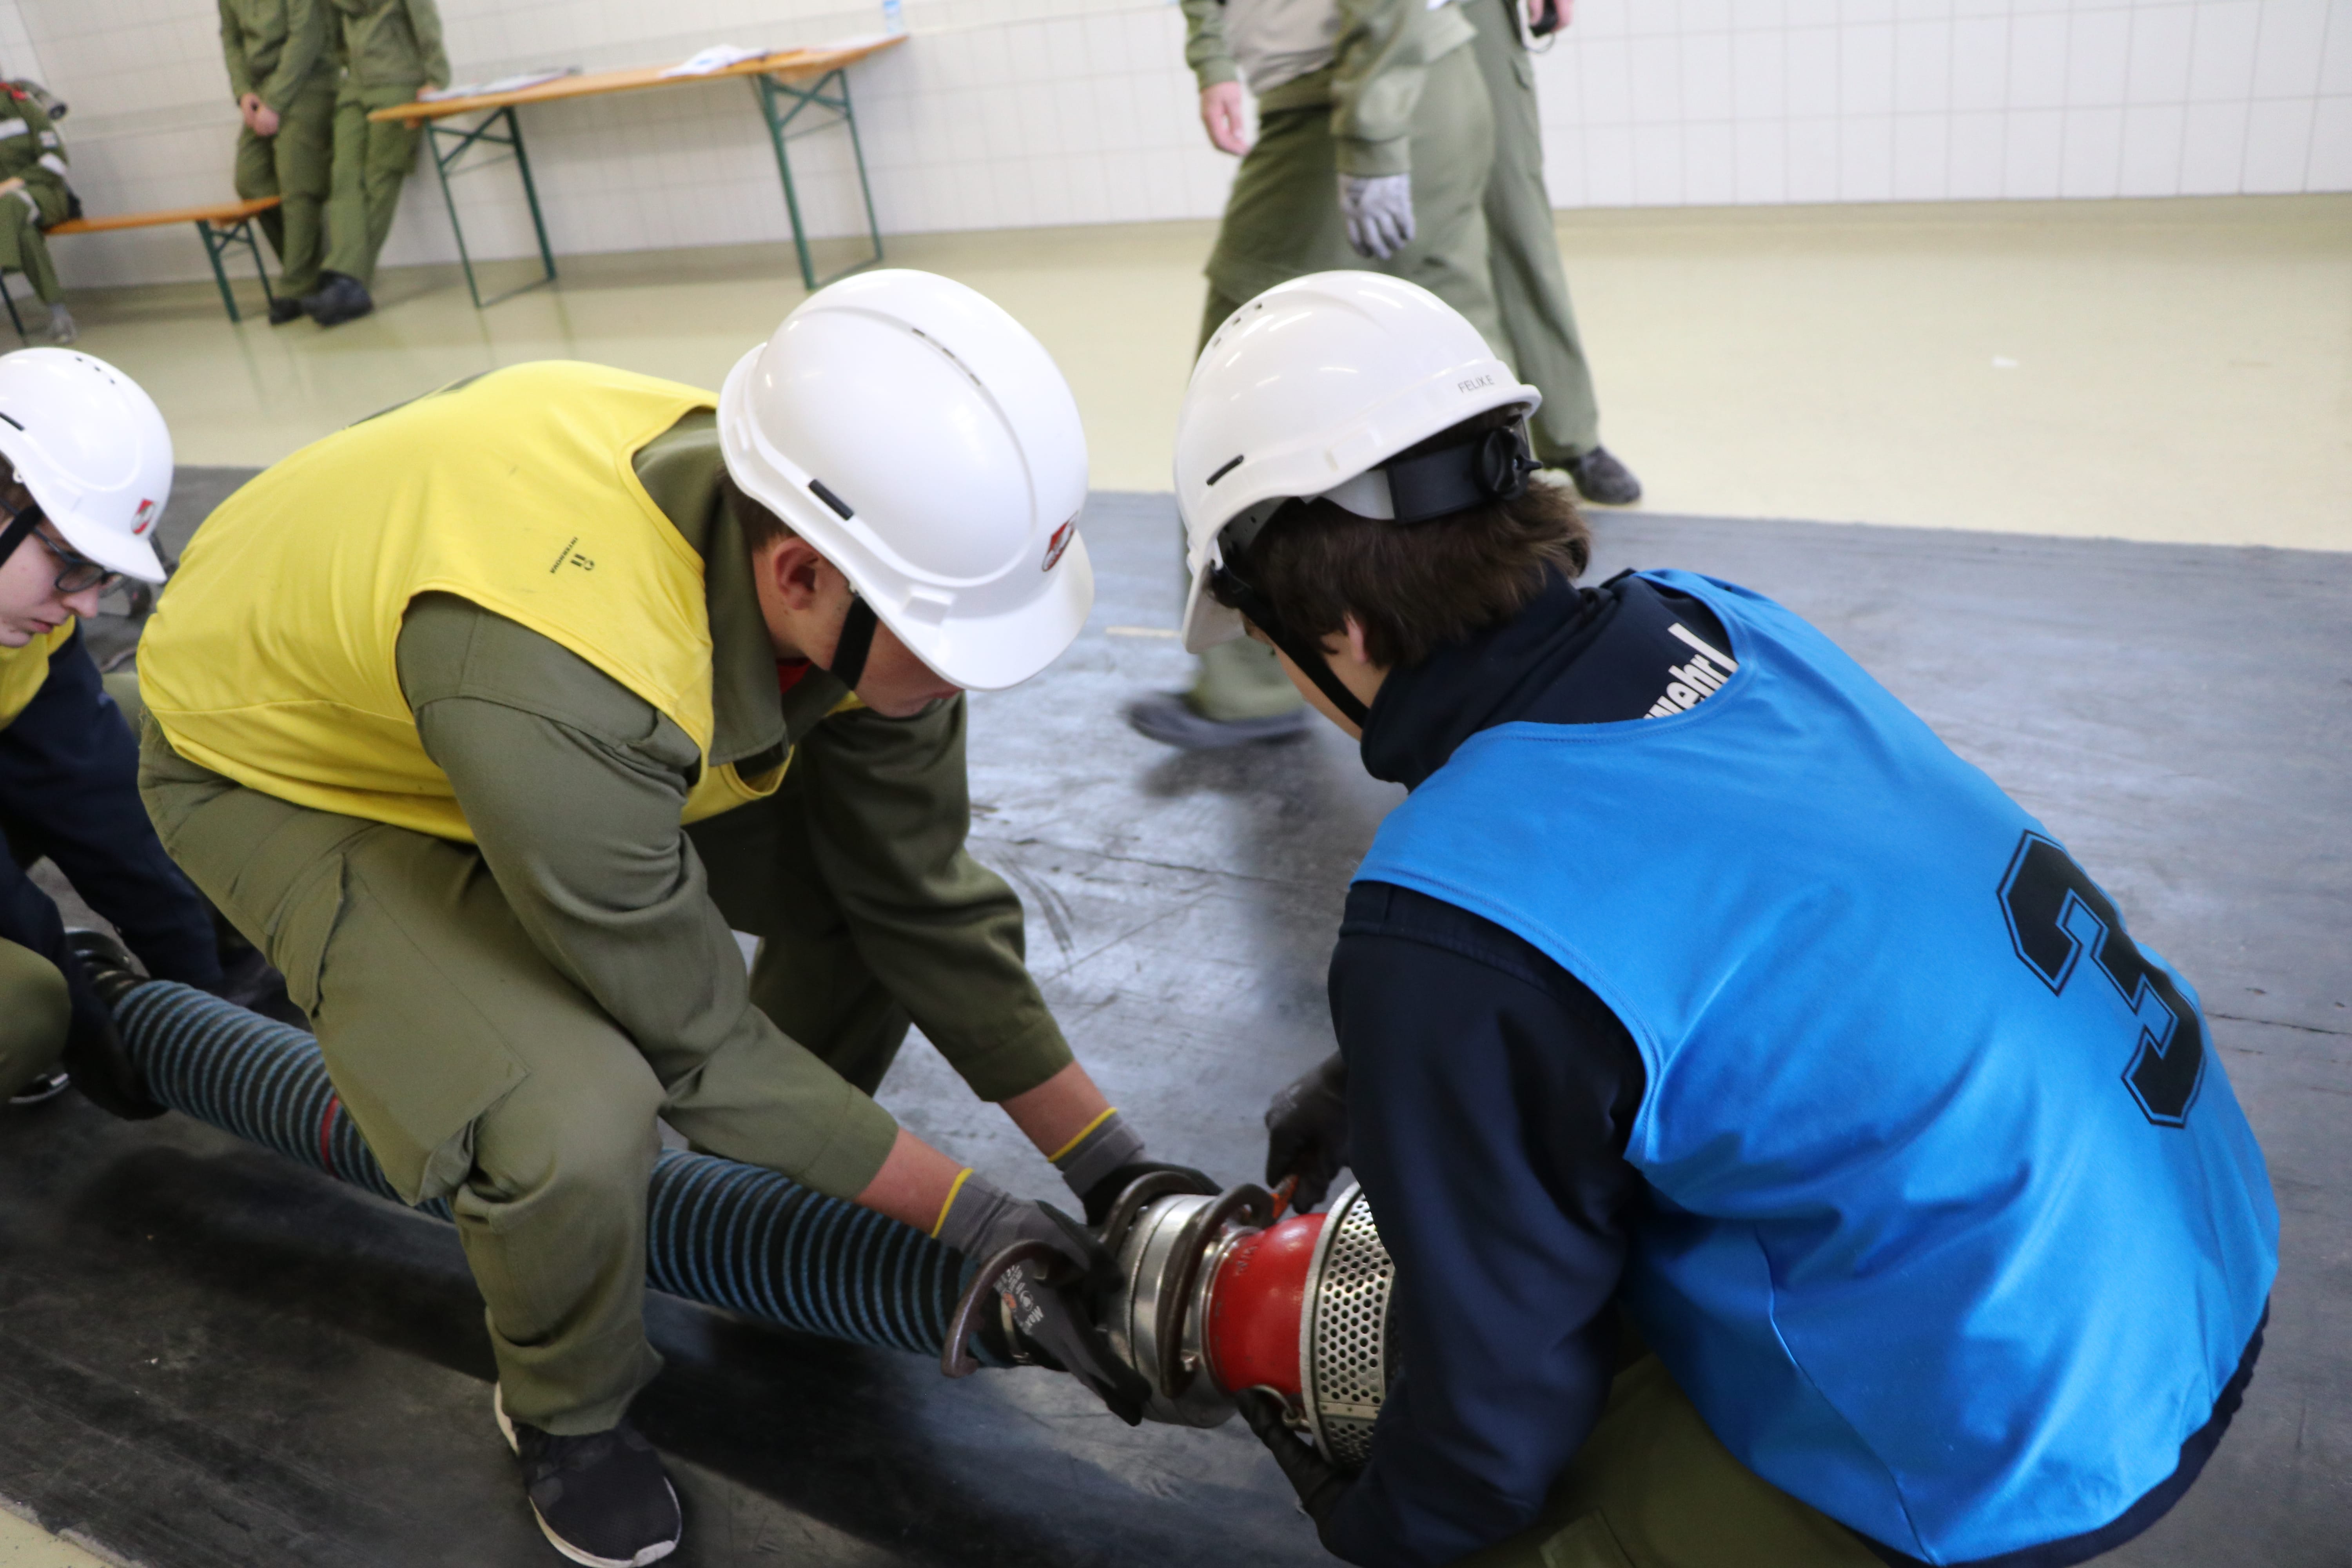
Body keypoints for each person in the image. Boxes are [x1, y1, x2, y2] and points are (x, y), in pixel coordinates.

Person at [1178, 273, 2277, 1568]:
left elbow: (1489, 1431)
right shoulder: (1721, 625)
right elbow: (1712, 934)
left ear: (1338, 629)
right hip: (2191, 1235)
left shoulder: (1440, 917)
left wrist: (1370, 1528)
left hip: (2025, 1418)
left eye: (1266, 643)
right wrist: (1385, 1079)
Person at [135, 271, 1193, 1567]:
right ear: (799, 574)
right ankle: (564, 1410)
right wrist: (972, 1219)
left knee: (854, 903)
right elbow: (693, 1039)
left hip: (478, 704)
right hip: (280, 754)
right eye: (951, 642)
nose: (969, 675)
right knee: (576, 1115)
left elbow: (914, 897)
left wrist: (1112, 1167)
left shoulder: (868, 569)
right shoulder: (580, 667)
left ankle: (756, 1208)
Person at [1136, 0, 1502, 750]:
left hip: (1347, 92)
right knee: (1458, 376)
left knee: (1241, 399)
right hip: (1429, 76)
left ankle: (1249, 682)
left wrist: (1371, 133)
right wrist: (1213, 61)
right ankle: (1506, 634)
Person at [1182, 0, 1637, 508]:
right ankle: (1504, 518)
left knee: (1509, 220)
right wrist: (1211, 57)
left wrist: (1371, 139)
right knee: (1454, 286)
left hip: (1405, 42)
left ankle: (1567, 437)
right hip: (1366, 48)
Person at [0, 349, 225, 1114]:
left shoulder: (30, 621)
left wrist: (201, 1003)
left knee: (135, 714)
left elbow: (94, 796)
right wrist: (89, 1028)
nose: (90, 607)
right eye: (71, 563)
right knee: (22, 1008)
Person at [305, 0, 449, 327]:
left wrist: (436, 78)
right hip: (355, 84)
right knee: (343, 177)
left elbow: (425, 20)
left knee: (380, 179)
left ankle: (347, 280)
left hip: (399, 81)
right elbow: (333, 31)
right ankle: (346, 280)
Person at [220, 0, 336, 325]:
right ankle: (308, 270)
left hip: (308, 81)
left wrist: (277, 102)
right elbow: (231, 39)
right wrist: (243, 93)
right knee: (251, 183)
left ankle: (296, 285)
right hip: (260, 91)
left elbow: (306, 35)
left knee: (299, 186)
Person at [0, 82, 77, 344]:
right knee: (25, 236)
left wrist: (15, 182)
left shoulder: (23, 106)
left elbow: (56, 160)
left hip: (46, 193)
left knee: (9, 203)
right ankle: (60, 315)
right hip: (8, 214)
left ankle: (3, 265)